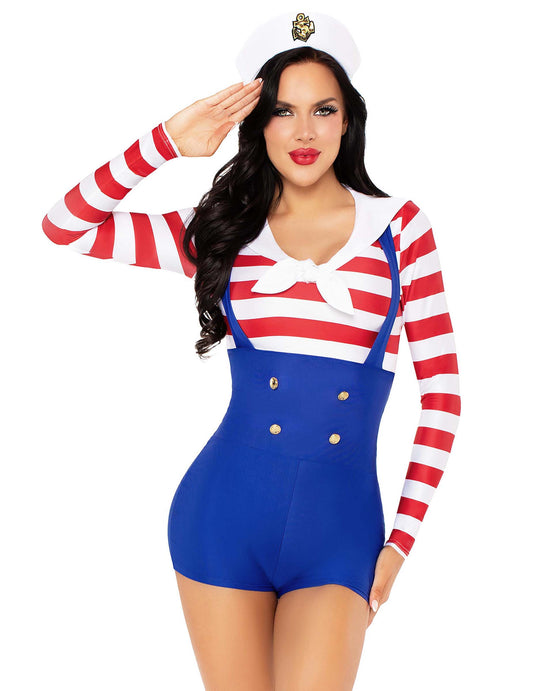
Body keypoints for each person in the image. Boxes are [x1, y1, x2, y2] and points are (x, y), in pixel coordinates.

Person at [42, 10, 461, 690]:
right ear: (256, 122)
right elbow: (65, 225)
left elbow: (442, 398)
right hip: (222, 517)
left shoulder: (400, 228)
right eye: (281, 111)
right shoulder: (221, 230)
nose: (303, 132)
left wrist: (400, 543)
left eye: (322, 110)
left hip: (340, 528)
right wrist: (166, 142)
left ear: (348, 119)